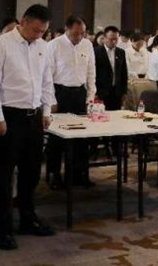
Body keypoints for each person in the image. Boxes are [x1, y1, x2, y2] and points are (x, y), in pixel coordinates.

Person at [0, 4, 57, 250]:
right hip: (7, 117)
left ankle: (27, 219)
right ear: (23, 22)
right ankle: (1, 228)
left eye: (43, 32)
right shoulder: (0, 45)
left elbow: (46, 81)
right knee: (4, 175)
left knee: (31, 172)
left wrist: (46, 111)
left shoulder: (42, 46)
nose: (38, 35)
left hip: (33, 117)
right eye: (35, 30)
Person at [46, 15, 96, 190]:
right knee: (56, 138)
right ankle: (54, 174)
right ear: (66, 29)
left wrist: (90, 97)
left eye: (82, 33)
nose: (79, 37)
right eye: (76, 33)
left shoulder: (87, 45)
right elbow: (47, 76)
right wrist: (51, 100)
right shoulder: (54, 45)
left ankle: (78, 174)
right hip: (60, 93)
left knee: (81, 137)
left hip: (80, 93)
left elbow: (91, 71)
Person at [94, 26, 128, 110]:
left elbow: (124, 73)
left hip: (117, 92)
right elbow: (93, 73)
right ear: (104, 38)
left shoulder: (121, 52)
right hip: (101, 92)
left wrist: (124, 92)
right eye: (111, 39)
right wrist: (94, 92)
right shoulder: (96, 52)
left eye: (116, 39)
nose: (114, 42)